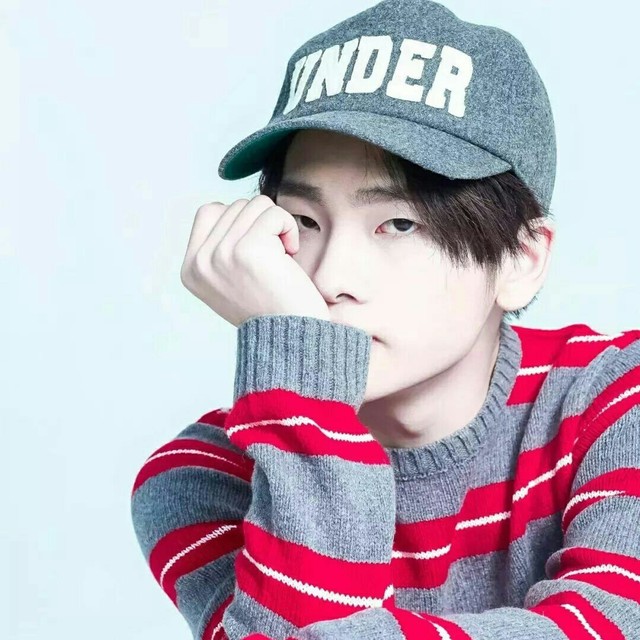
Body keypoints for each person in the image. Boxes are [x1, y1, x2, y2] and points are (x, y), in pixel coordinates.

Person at [130, 1, 640, 639]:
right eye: (304, 222)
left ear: (521, 257)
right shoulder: (203, 475)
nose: (331, 278)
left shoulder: (615, 401)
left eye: (398, 224)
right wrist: (305, 388)